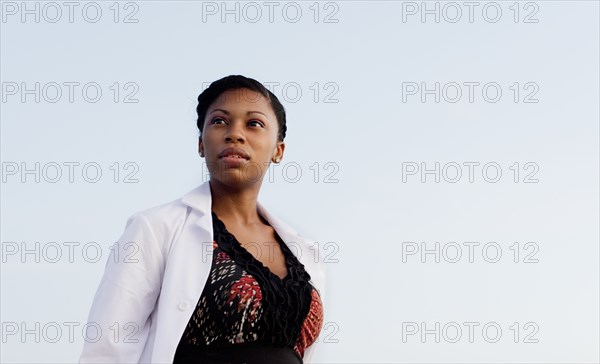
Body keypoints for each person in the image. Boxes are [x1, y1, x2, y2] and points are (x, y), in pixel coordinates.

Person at [79, 75, 326, 364]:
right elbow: (108, 348)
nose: (234, 133)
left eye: (254, 124)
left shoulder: (306, 253)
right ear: (200, 144)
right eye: (219, 121)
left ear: (278, 150)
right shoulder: (156, 229)